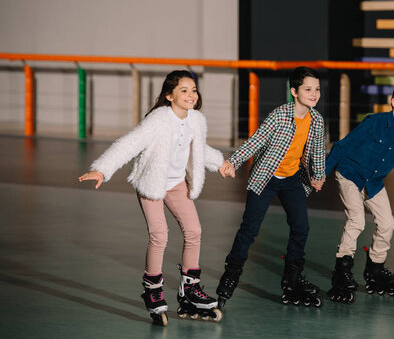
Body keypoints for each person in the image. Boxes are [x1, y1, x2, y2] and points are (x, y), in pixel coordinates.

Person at [78, 70, 224, 325]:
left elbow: (199, 148)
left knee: (194, 231)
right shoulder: (158, 120)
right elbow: (129, 143)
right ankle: (153, 289)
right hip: (152, 184)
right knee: (160, 235)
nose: (191, 95)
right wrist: (103, 168)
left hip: (177, 184)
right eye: (184, 90)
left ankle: (190, 289)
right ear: (169, 96)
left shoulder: (196, 120)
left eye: (193, 90)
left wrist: (221, 163)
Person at [216, 66, 326, 309]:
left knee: (301, 227)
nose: (314, 94)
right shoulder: (279, 116)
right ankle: (230, 277)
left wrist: (318, 176)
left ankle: (292, 281)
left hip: (292, 179)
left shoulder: (316, 120)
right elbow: (256, 141)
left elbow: (317, 151)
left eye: (317, 89)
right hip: (266, 178)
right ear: (294, 91)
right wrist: (232, 161)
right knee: (249, 230)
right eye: (308, 89)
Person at [325, 81, 394, 304]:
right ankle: (342, 271)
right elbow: (341, 147)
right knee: (357, 220)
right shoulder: (374, 122)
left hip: (373, 182)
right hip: (350, 174)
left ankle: (375, 270)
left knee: (387, 224)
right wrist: (322, 174)